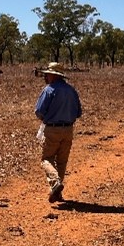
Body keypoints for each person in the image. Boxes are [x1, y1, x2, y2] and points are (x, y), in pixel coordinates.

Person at [34, 62, 83, 203]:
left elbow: (39, 111)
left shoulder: (49, 90)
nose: (45, 77)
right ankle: (57, 194)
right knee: (62, 162)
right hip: (68, 129)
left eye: (47, 74)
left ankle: (55, 182)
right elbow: (78, 112)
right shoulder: (72, 90)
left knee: (46, 159)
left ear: (53, 75)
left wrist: (47, 118)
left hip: (52, 129)